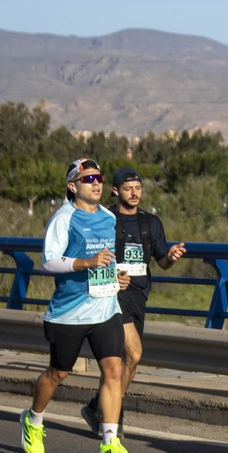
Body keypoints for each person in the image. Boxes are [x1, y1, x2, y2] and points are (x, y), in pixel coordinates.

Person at [18, 158, 135, 453]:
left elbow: (107, 259)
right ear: (73, 186)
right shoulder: (63, 218)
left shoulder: (109, 217)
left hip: (106, 308)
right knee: (58, 373)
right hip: (68, 313)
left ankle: (109, 442)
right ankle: (33, 419)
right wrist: (86, 263)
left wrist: (116, 276)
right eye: (88, 178)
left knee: (113, 370)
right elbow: (49, 261)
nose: (96, 183)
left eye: (99, 178)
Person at [79, 167, 186, 437]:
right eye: (128, 188)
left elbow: (161, 261)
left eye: (138, 188)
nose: (134, 193)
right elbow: (91, 255)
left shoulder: (151, 223)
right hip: (112, 296)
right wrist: (112, 276)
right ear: (115, 191)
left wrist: (171, 257)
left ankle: (98, 407)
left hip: (138, 295)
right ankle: (112, 413)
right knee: (134, 353)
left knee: (126, 360)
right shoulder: (105, 220)